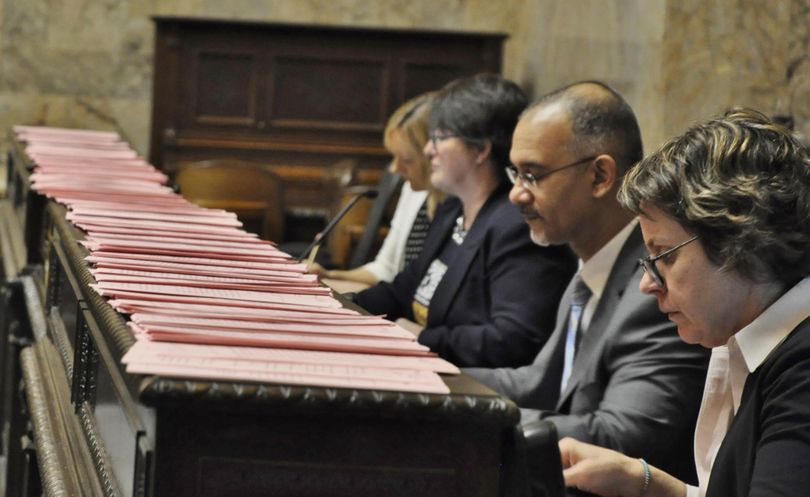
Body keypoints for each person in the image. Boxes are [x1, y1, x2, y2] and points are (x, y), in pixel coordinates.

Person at [464, 81, 710, 486]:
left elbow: (620, 438)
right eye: (514, 173)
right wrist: (434, 378)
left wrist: (463, 411)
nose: (515, 195)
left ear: (600, 176)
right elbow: (539, 382)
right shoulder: (594, 265)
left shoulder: (656, 287)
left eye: (532, 175)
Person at [558, 108, 810, 497]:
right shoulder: (755, 340)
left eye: (665, 256)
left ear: (740, 242)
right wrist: (644, 482)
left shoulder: (802, 367)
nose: (647, 284)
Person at [355, 74, 577, 368]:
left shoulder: (518, 227)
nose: (428, 149)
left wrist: (422, 338)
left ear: (481, 149)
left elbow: (515, 340)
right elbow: (402, 291)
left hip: (474, 393)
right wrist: (331, 309)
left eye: (441, 137)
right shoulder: (451, 211)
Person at [310, 93, 444, 288]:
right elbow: (386, 270)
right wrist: (329, 275)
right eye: (394, 157)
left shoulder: (460, 204)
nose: (395, 169)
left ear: (433, 154)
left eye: (406, 160)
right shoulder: (412, 190)